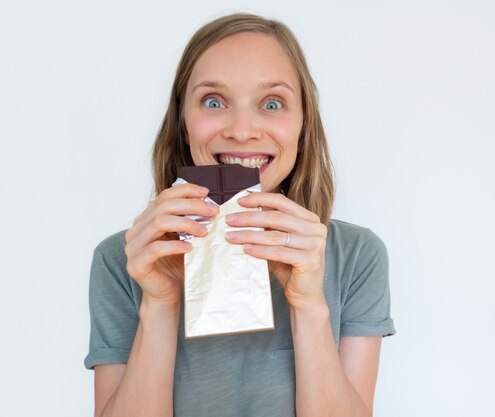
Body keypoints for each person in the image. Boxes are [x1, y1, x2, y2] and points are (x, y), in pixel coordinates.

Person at [84, 13, 395, 417]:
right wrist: (159, 303)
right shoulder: (124, 258)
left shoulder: (355, 255)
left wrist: (308, 306)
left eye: (272, 103)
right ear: (183, 123)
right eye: (214, 101)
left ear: (303, 125)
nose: (242, 130)